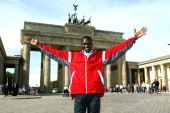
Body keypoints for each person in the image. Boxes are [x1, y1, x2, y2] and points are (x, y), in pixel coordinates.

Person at [28, 27, 147, 113]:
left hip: (94, 93)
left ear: (92, 44)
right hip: (79, 94)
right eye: (84, 44)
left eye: (88, 44)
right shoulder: (73, 57)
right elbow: (55, 53)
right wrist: (39, 45)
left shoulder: (100, 57)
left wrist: (133, 38)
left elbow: (118, 50)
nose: (86, 46)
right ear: (82, 45)